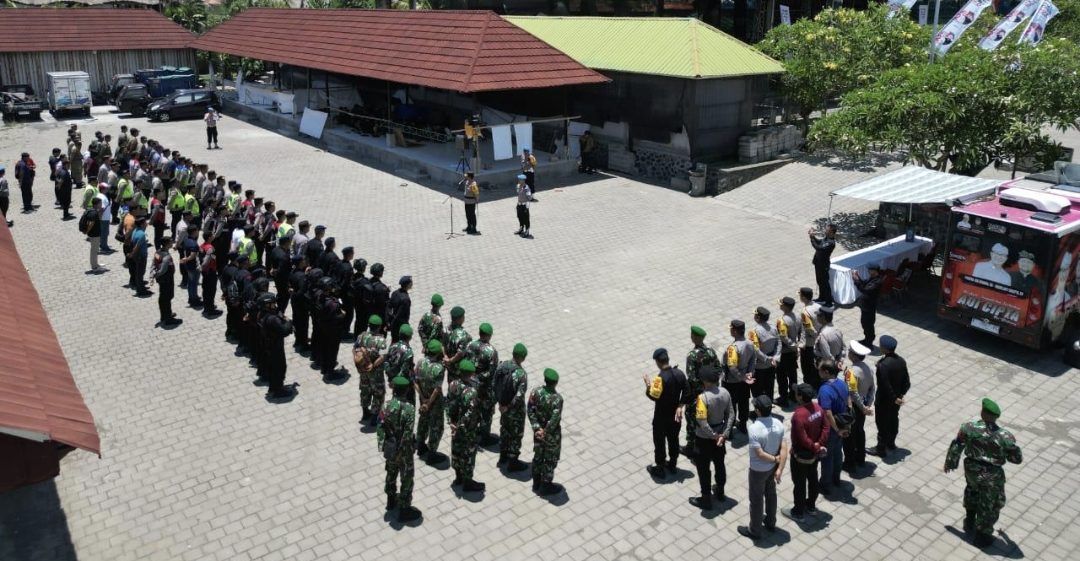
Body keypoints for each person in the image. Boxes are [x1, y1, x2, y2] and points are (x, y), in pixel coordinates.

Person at [944, 398, 1023, 548]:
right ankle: (982, 536)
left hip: (971, 469)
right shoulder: (1004, 436)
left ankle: (969, 521)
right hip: (991, 475)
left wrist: (950, 463)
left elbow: (958, 444)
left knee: (972, 491)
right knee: (990, 504)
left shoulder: (968, 427)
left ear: (982, 412)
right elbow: (1016, 459)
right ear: (996, 417)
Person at [739, 395, 787, 541]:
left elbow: (759, 454)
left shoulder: (754, 428)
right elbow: (784, 448)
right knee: (771, 494)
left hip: (758, 470)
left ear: (758, 411)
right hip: (772, 469)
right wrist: (779, 468)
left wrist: (774, 459)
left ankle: (755, 530)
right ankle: (771, 523)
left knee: (756, 499)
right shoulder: (779, 424)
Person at [687, 366, 734, 509]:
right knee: (720, 464)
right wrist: (724, 434)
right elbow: (731, 415)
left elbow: (702, 422)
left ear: (705, 381)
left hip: (704, 439)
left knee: (703, 468)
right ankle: (720, 491)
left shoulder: (703, 398)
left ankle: (706, 498)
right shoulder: (725, 392)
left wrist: (714, 436)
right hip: (720, 438)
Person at [784, 383, 829, 523]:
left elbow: (802, 438)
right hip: (814, 455)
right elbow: (826, 427)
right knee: (813, 478)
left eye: (796, 393)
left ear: (800, 397)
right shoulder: (818, 408)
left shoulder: (798, 415)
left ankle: (798, 512)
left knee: (799, 484)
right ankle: (811, 506)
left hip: (801, 455)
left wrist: (814, 446)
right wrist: (819, 444)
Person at [378, 376, 421, 522]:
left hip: (390, 448)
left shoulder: (385, 406)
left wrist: (383, 447)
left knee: (391, 473)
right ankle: (404, 510)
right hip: (404, 451)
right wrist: (402, 452)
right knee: (407, 478)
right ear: (406, 390)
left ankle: (390, 500)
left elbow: (380, 428)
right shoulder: (409, 408)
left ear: (394, 389)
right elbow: (407, 434)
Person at [643, 348, 686, 478]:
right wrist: (680, 405)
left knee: (659, 441)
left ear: (657, 362)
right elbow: (688, 391)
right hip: (675, 416)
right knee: (673, 439)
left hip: (661, 417)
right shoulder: (680, 373)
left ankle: (660, 467)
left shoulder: (660, 379)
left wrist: (648, 385)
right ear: (668, 359)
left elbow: (653, 396)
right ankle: (672, 464)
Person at [868, 335, 910, 458]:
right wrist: (900, 395)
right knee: (893, 420)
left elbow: (884, 385)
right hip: (896, 400)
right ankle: (891, 443)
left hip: (884, 400)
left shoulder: (883, 365)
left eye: (881, 346)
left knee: (881, 424)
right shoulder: (901, 360)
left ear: (885, 349)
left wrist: (893, 398)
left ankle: (880, 449)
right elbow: (907, 382)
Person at [447, 359, 485, 492]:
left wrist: (451, 422)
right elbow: (469, 413)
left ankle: (458, 477)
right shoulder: (471, 392)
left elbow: (448, 404)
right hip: (467, 429)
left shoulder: (453, 384)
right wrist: (460, 426)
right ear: (471, 374)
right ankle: (468, 482)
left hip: (455, 425)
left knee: (456, 450)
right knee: (468, 453)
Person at [682, 325, 719, 458]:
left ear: (694, 337)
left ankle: (691, 447)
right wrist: (711, 385)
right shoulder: (711, 352)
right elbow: (718, 369)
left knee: (692, 420)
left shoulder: (692, 356)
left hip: (697, 396)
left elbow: (691, 378)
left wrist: (700, 389)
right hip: (711, 392)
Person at [528, 368, 564, 496]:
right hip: (551, 436)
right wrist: (545, 431)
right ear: (556, 383)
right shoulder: (558, 399)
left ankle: (536, 482)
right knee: (550, 459)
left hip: (538, 434)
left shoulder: (535, 392)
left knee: (538, 456)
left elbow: (530, 410)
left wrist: (537, 428)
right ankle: (546, 486)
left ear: (545, 380)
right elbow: (555, 419)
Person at [816, 360, 849, 496]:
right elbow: (848, 402)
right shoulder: (842, 383)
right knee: (837, 453)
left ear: (826, 372)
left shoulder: (824, 390)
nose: (818, 372)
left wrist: (836, 429)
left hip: (831, 429)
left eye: (819, 370)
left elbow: (827, 413)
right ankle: (836, 479)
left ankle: (826, 484)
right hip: (842, 424)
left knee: (827, 457)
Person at [842, 341, 875, 471]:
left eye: (850, 352)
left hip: (855, 407)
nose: (848, 353)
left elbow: (853, 392)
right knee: (860, 431)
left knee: (850, 435)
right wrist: (868, 405)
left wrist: (862, 407)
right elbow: (872, 388)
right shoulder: (868, 368)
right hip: (864, 406)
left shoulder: (851, 372)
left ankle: (850, 463)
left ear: (854, 355)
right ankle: (861, 458)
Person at [414, 339, 448, 465]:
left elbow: (415, 381)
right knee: (436, 426)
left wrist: (423, 398)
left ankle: (420, 446)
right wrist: (429, 403)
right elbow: (437, 389)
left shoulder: (420, 362)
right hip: (435, 402)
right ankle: (432, 454)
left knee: (423, 421)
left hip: (423, 398)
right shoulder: (439, 368)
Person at [466, 323, 500, 446]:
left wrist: (472, 377)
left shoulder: (470, 345)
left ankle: (473, 431)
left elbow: (466, 362)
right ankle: (485, 438)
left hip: (471, 384)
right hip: (485, 388)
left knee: (475, 408)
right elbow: (491, 373)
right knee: (487, 412)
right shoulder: (491, 352)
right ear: (489, 336)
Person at [722, 320, 756, 434]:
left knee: (730, 406)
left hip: (731, 381)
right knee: (744, 403)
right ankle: (743, 425)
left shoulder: (733, 348)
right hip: (745, 380)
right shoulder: (750, 343)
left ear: (735, 331)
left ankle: (730, 430)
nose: (730, 330)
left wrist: (741, 377)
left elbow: (732, 367)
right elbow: (753, 359)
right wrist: (750, 373)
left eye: (731, 329)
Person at [259, 293, 295, 399]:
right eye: (272, 303)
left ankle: (273, 387)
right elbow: (284, 330)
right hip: (275, 346)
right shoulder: (272, 319)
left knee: (273, 368)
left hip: (268, 345)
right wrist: (289, 322)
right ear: (267, 305)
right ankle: (278, 390)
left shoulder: (262, 314)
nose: (275, 305)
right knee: (279, 367)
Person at [356, 314, 388, 424]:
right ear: (379, 327)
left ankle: (365, 413)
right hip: (376, 372)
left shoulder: (361, 336)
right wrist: (373, 365)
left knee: (365, 389)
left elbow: (355, 350)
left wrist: (359, 363)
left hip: (363, 370)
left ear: (369, 325)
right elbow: (382, 357)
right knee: (378, 393)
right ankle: (375, 417)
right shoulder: (381, 340)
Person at [750, 307, 781, 401]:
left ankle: (759, 406)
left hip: (760, 365)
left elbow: (756, 349)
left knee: (758, 389)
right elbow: (779, 343)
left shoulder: (754, 332)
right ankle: (769, 403)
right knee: (769, 385)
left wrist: (766, 358)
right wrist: (776, 357)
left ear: (758, 317)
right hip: (772, 364)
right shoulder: (773, 328)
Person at [776, 296, 802, 407]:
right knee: (792, 374)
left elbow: (783, 337)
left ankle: (783, 398)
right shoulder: (798, 317)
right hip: (793, 352)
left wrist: (793, 346)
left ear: (785, 307)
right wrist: (798, 345)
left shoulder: (782, 321)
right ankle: (793, 395)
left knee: (782, 377)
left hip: (785, 352)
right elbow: (801, 332)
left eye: (781, 304)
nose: (780, 305)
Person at [150, 234, 180, 327]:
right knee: (167, 297)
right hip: (167, 279)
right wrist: (156, 275)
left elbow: (153, 264)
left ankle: (165, 315)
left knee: (163, 297)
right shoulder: (166, 256)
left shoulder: (157, 252)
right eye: (171, 241)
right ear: (167, 244)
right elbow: (162, 270)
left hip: (162, 280)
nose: (172, 243)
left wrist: (152, 275)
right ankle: (168, 319)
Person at [852, 264, 883, 347]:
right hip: (865, 306)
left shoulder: (877, 282)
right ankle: (867, 339)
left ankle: (869, 342)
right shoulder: (872, 278)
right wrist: (858, 277)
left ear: (875, 271)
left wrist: (856, 280)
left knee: (868, 324)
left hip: (869, 307)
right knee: (864, 323)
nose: (868, 271)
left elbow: (865, 289)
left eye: (870, 270)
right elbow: (864, 283)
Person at [808, 224, 837, 305]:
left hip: (823, 266)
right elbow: (819, 242)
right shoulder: (826, 238)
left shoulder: (831, 243)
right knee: (819, 282)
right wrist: (813, 237)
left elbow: (818, 248)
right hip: (818, 263)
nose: (825, 231)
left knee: (825, 284)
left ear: (831, 232)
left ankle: (828, 302)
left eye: (827, 230)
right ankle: (822, 298)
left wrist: (812, 238)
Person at [444, 306, 471, 381]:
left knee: (450, 383)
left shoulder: (445, 329)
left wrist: (445, 356)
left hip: (449, 367)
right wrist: (451, 360)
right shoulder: (463, 336)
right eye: (463, 316)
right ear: (460, 319)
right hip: (458, 368)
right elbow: (460, 353)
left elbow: (443, 344)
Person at [179, 225, 203, 308]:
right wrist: (187, 259)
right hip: (193, 266)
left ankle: (191, 298)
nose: (198, 232)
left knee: (190, 283)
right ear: (194, 232)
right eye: (197, 231)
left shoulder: (186, 240)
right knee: (193, 284)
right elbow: (193, 255)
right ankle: (194, 300)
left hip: (188, 266)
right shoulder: (193, 243)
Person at [199, 230, 221, 317]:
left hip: (205, 272)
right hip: (210, 271)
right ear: (209, 238)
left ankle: (207, 306)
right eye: (212, 235)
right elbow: (206, 260)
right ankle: (210, 309)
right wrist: (202, 267)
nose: (213, 236)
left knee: (206, 290)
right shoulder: (210, 248)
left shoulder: (202, 246)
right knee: (211, 291)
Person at [129, 216, 151, 296]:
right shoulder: (142, 234)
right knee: (140, 273)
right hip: (141, 256)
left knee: (139, 272)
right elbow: (137, 246)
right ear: (142, 224)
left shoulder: (135, 231)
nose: (146, 223)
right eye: (145, 222)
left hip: (137, 256)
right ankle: (141, 290)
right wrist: (132, 254)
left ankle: (140, 286)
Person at [386, 276, 413, 343]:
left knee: (394, 341)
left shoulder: (395, 293)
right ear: (408, 285)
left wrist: (389, 320)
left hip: (394, 323)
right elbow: (400, 315)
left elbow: (389, 306)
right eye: (411, 282)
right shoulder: (406, 300)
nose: (412, 283)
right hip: (400, 325)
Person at [81, 198, 104, 273]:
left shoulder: (92, 211)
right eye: (100, 203)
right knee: (94, 251)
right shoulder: (93, 213)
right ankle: (94, 267)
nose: (101, 205)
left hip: (94, 234)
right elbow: (91, 223)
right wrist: (87, 232)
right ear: (97, 204)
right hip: (94, 234)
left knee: (94, 250)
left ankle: (96, 263)